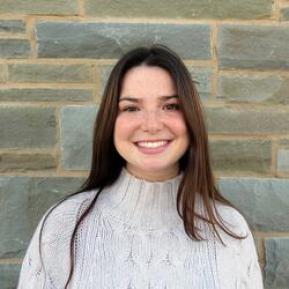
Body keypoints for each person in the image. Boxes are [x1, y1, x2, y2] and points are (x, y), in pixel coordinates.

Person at [17, 44, 264, 289]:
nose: (151, 125)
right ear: (110, 122)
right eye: (131, 108)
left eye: (170, 106)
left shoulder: (229, 228)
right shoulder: (64, 225)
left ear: (191, 118)